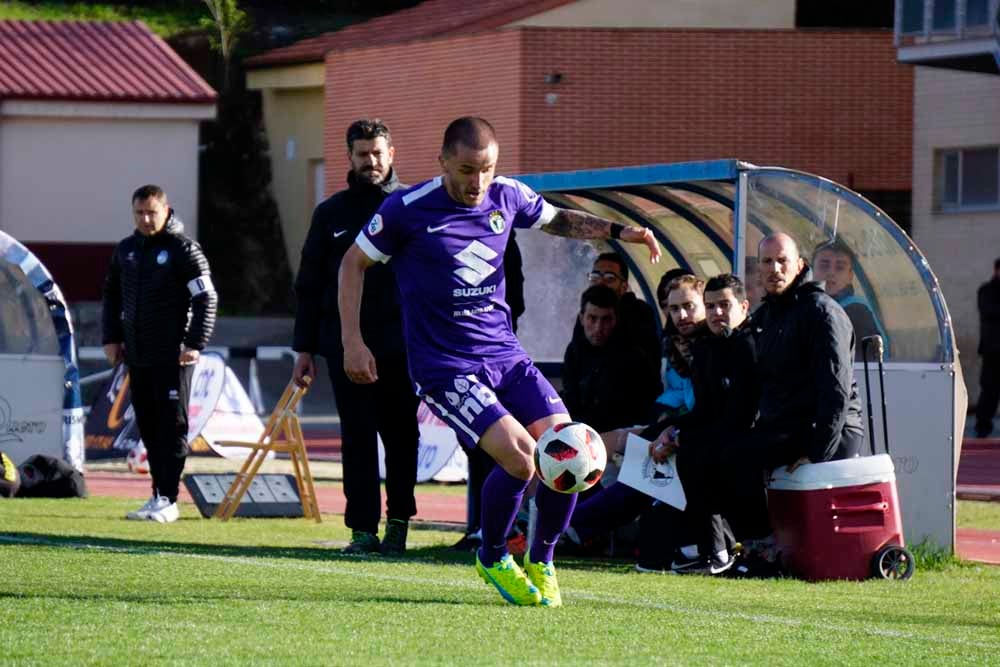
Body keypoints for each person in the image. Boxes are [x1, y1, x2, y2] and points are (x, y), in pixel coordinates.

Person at [339, 116, 660, 606]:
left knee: (571, 447)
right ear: (442, 161)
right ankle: (492, 554)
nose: (477, 183)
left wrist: (623, 231)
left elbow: (560, 220)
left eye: (486, 169)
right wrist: (352, 342)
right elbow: (352, 264)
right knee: (520, 457)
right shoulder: (406, 208)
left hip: (505, 355)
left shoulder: (506, 194)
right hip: (445, 367)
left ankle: (544, 559)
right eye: (467, 170)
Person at [292, 119, 419, 555]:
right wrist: (304, 348)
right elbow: (308, 284)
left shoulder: (412, 206)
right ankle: (362, 530)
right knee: (358, 439)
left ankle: (399, 523)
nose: (371, 161)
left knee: (403, 437)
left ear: (392, 154)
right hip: (344, 346)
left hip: (402, 347)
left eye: (378, 153)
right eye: (363, 154)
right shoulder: (330, 214)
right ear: (349, 157)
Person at [102, 184, 217, 523]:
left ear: (167, 210)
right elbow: (111, 295)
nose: (146, 219)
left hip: (173, 356)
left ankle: (169, 499)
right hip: (138, 355)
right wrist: (111, 338)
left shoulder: (184, 250)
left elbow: (206, 298)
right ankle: (157, 495)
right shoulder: (126, 251)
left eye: (152, 212)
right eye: (139, 213)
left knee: (172, 426)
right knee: (150, 428)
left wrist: (194, 343)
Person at [561, 284, 661, 432]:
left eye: (606, 319)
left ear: (615, 320)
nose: (598, 328)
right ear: (581, 318)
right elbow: (570, 396)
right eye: (592, 318)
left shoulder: (633, 358)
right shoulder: (574, 351)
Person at [575, 252, 661, 372]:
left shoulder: (639, 313)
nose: (600, 283)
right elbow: (575, 356)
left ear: (624, 286)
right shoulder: (587, 310)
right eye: (595, 277)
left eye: (609, 278)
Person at [812, 240, 888, 360]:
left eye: (840, 267)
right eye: (824, 265)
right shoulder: (803, 306)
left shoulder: (857, 311)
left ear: (850, 276)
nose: (831, 272)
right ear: (811, 270)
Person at [975, 258, 1000, 438]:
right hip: (993, 350)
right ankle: (983, 427)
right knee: (990, 389)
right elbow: (990, 311)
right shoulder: (986, 291)